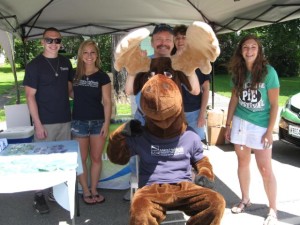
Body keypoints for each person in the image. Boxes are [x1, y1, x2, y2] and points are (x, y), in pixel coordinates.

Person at [123, 23, 199, 200]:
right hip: (144, 120)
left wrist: (188, 66)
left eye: (167, 39)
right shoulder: (144, 63)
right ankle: (137, 187)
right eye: (159, 39)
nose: (163, 43)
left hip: (172, 123)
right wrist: (134, 68)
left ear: (173, 42)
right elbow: (128, 90)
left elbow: (195, 90)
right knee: (137, 155)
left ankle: (178, 189)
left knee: (174, 158)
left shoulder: (178, 63)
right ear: (152, 41)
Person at [224, 34, 279, 225]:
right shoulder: (237, 72)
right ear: (241, 50)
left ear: (259, 50)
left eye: (253, 47)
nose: (249, 50)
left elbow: (274, 105)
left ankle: (272, 208)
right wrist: (228, 124)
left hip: (261, 125)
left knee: (265, 168)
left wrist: (270, 131)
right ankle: (245, 199)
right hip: (240, 122)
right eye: (245, 47)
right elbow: (234, 99)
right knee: (242, 162)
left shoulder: (268, 72)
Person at [23, 27, 73, 214]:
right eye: (49, 40)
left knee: (60, 160)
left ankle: (54, 191)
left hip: (65, 120)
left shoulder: (66, 62)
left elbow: (69, 91)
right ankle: (39, 196)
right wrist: (37, 124)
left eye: (57, 40)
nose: (53, 44)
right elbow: (30, 96)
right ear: (42, 42)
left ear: (61, 42)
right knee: (42, 161)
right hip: (44, 122)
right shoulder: (34, 65)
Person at [70, 40, 112, 204]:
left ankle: (94, 189)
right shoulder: (73, 74)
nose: (89, 56)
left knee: (95, 158)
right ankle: (85, 191)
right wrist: (82, 99)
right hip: (79, 122)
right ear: (81, 54)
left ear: (97, 55)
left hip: (97, 122)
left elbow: (107, 102)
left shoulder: (102, 76)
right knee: (81, 159)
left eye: (92, 52)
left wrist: (106, 124)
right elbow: (70, 93)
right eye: (85, 52)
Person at [173, 24, 211, 142]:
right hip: (175, 114)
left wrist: (202, 114)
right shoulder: (170, 61)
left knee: (196, 148)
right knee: (178, 147)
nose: (180, 41)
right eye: (177, 38)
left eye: (183, 37)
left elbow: (206, 89)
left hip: (195, 113)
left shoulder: (198, 60)